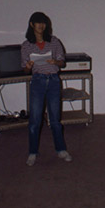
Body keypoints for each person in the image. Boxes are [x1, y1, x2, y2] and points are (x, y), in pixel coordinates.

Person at [21, 12, 72, 166]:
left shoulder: (54, 41)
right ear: (32, 24)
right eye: (38, 23)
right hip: (38, 81)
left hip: (54, 81)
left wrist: (55, 61)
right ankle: (32, 152)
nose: (41, 26)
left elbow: (62, 63)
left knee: (55, 119)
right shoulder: (26, 45)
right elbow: (25, 70)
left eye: (43, 23)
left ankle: (61, 150)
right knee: (35, 120)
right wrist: (28, 66)